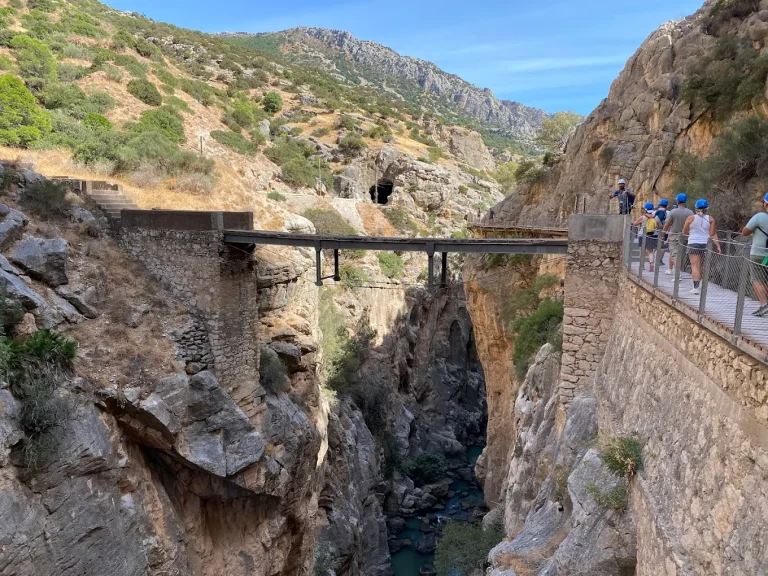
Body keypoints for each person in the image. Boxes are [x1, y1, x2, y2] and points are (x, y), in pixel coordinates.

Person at [682, 199, 721, 296]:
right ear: (706, 209)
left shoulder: (690, 218)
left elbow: (685, 232)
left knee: (695, 266)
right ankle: (702, 286)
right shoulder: (711, 219)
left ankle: (696, 288)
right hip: (705, 244)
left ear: (696, 208)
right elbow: (712, 234)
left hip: (693, 242)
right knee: (701, 265)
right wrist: (718, 246)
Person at [741, 193, 768, 317]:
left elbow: (745, 232)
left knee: (757, 280)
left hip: (758, 254)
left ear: (765, 204)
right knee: (766, 279)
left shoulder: (760, 217)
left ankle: (764, 305)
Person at [663, 194, 693, 275]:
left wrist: (663, 234)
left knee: (674, 255)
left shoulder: (673, 212)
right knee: (681, 255)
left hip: (674, 236)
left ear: (677, 201)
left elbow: (666, 224)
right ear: (686, 201)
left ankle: (677, 274)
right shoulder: (690, 212)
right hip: (686, 237)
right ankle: (678, 270)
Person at [633, 202, 661, 272]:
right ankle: (651, 263)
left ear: (645, 209)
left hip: (642, 235)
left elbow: (634, 223)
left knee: (642, 251)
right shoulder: (656, 217)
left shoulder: (642, 217)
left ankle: (642, 265)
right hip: (652, 235)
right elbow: (660, 226)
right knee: (650, 251)